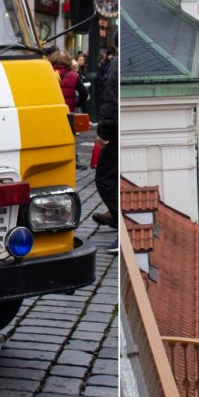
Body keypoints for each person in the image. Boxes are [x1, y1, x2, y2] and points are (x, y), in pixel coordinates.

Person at [91, 53, 119, 252]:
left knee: (104, 178)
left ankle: (120, 220)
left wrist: (104, 131)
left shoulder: (116, 64)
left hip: (117, 129)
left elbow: (111, 100)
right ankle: (114, 213)